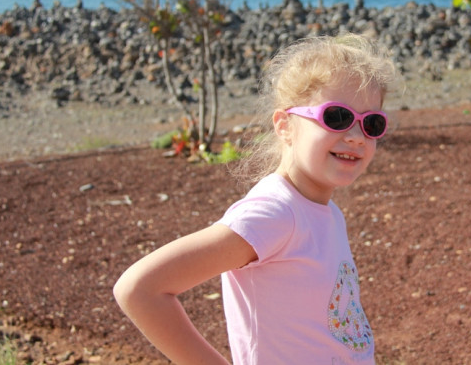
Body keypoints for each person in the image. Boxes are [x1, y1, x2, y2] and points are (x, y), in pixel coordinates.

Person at [113, 33, 397, 364]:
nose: (357, 137)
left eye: (371, 123)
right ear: (285, 125)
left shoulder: (328, 212)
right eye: (337, 117)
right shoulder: (275, 213)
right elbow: (139, 290)